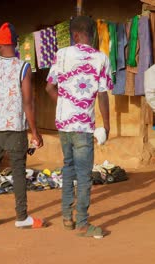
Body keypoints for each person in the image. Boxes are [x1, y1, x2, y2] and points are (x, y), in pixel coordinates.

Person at [45, 16, 111, 239]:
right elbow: (102, 94)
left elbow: (49, 88)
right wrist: (107, 125)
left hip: (64, 123)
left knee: (68, 168)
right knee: (83, 175)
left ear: (74, 35)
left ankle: (67, 217)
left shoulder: (61, 55)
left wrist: (65, 105)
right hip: (83, 125)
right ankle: (82, 223)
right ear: (88, 33)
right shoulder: (101, 58)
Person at [0, 22, 45, 228]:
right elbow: (28, 102)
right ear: (15, 43)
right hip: (15, 129)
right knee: (18, 170)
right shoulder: (23, 67)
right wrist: (35, 132)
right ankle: (21, 217)